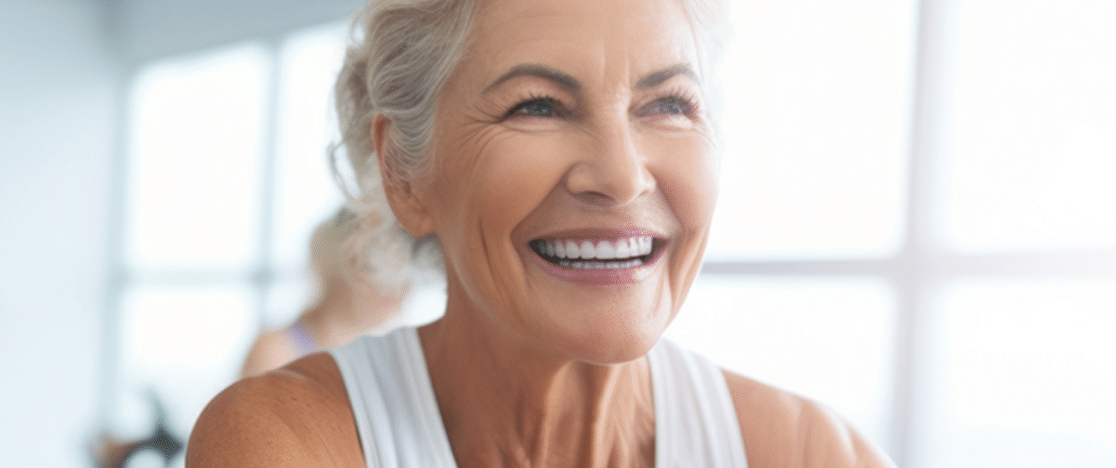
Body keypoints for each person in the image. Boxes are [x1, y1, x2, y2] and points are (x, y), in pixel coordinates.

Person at [187, 0, 893, 466]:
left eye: (668, 103)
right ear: (404, 172)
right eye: (537, 106)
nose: (622, 176)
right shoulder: (286, 441)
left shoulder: (816, 453)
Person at [240, 208, 417, 377]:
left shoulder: (378, 360)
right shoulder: (276, 351)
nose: (400, 295)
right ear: (348, 266)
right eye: (385, 274)